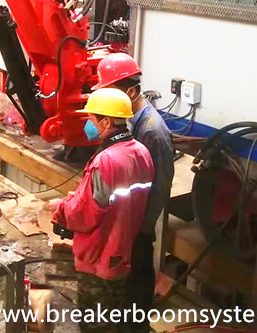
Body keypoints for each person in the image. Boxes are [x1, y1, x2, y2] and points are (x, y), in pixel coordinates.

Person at [52, 88, 154, 333]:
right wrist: (80, 196)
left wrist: (61, 208)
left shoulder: (105, 160)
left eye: (92, 119)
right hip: (123, 249)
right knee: (115, 316)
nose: (88, 123)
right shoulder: (141, 152)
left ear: (106, 122)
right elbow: (118, 199)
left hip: (100, 256)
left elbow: (85, 214)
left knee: (95, 323)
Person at [93, 53, 174, 332]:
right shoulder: (132, 122)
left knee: (138, 276)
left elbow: (160, 184)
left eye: (111, 92)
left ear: (130, 91)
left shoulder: (153, 132)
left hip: (140, 223)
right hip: (129, 219)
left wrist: (142, 226)